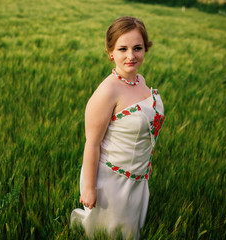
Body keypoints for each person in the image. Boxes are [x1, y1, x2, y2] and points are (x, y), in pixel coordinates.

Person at [71, 16, 165, 239]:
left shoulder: (140, 81)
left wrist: (146, 162)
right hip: (111, 184)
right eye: (123, 49)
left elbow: (144, 130)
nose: (131, 56)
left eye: (137, 48)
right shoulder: (107, 92)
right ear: (111, 52)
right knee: (107, 234)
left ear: (145, 49)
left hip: (138, 179)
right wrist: (89, 188)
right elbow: (92, 144)